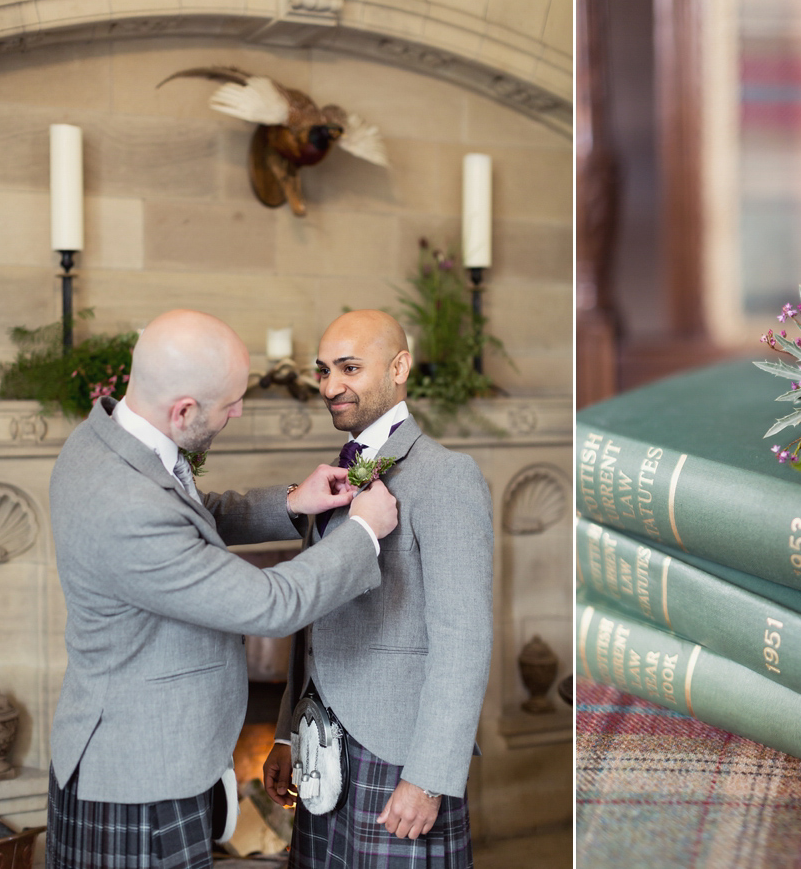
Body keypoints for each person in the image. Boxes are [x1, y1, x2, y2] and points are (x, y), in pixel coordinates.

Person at [46, 309, 399, 869]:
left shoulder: (107, 440)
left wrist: (289, 502)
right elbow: (269, 604)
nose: (238, 411)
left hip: (152, 755)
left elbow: (191, 513)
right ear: (182, 409)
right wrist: (363, 532)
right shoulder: (126, 507)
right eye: (230, 403)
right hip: (139, 783)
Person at [263, 310, 493, 868]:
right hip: (320, 749)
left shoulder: (448, 476)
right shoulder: (332, 478)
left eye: (349, 368)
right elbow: (315, 620)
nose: (331, 386)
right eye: (323, 371)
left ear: (399, 367)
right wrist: (289, 733)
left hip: (399, 758)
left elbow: (464, 638)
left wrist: (430, 777)